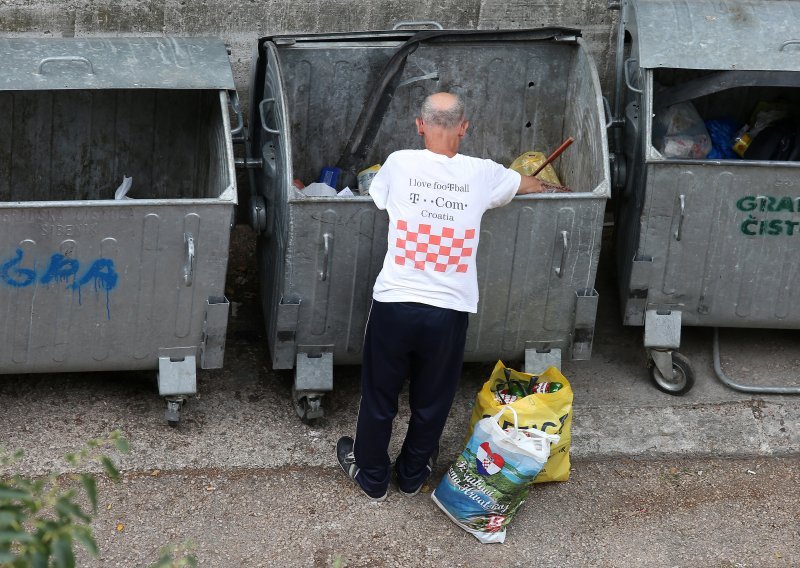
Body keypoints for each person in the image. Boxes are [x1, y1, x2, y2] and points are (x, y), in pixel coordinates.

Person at [336, 92, 569, 502]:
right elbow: (527, 182)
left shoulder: (398, 163)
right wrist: (550, 184)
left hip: (395, 301)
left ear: (419, 125)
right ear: (464, 127)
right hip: (448, 310)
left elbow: (378, 197)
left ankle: (372, 477)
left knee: (379, 395)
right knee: (433, 399)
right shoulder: (484, 173)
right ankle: (411, 474)